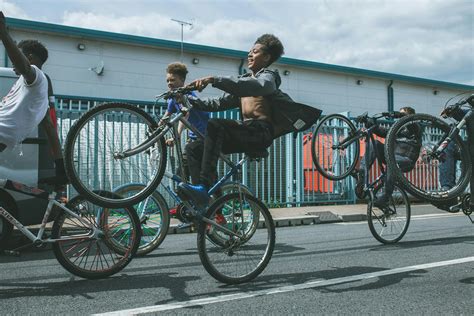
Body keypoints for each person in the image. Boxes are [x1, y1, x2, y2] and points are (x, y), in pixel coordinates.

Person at [177, 34, 322, 206]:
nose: (250, 55)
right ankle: (205, 196)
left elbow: (261, 86)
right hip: (243, 132)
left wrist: (214, 80)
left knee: (215, 125)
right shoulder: (244, 82)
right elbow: (217, 103)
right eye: (249, 51)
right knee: (194, 147)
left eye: (255, 51)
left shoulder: (269, 77)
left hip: (260, 133)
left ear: (267, 57)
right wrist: (189, 99)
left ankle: (203, 188)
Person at [0, 12, 67, 185]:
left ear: (29, 58)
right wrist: (60, 168)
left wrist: (3, 34)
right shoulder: (33, 91)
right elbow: (49, 127)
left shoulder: (37, 76)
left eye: (17, 56)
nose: (12, 62)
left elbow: (23, 66)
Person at [355, 106, 421, 209]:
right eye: (399, 116)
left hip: (406, 160)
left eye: (402, 115)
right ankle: (362, 174)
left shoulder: (415, 128)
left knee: (392, 161)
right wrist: (368, 123)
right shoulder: (398, 129)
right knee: (375, 144)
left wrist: (401, 116)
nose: (399, 118)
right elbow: (383, 132)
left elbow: (411, 123)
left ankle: (386, 196)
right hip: (392, 156)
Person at [161, 62, 210, 185]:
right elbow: (165, 117)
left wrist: (176, 135)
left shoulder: (187, 96)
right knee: (185, 171)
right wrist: (154, 133)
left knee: (190, 171)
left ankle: (201, 198)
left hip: (205, 137)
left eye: (172, 80)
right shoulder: (173, 98)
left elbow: (185, 115)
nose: (169, 83)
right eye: (167, 81)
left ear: (182, 80)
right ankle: (192, 200)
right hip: (194, 137)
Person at [438, 103, 474, 212]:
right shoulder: (471, 113)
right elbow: (462, 114)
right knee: (448, 147)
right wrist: (452, 111)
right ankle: (448, 191)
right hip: (469, 150)